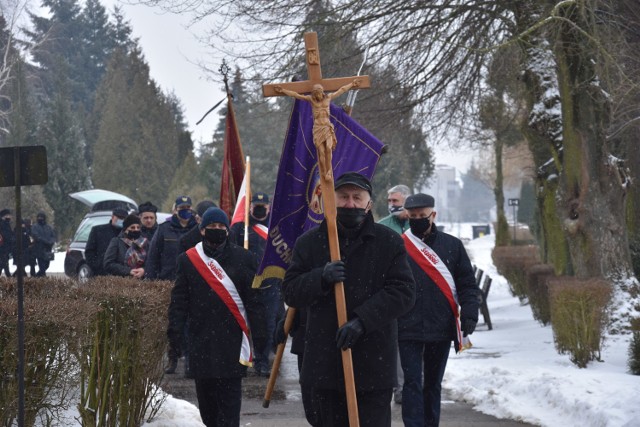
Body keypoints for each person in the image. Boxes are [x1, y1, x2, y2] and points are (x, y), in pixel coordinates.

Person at [282, 172, 415, 426]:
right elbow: (290, 291)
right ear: (331, 200)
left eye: (357, 197)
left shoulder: (388, 242)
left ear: (368, 203)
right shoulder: (309, 243)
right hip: (324, 364)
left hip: (373, 364)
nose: (350, 203)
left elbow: (403, 292)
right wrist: (320, 277)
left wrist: (362, 321)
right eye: (343, 197)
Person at [167, 207, 265, 427]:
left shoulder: (244, 258)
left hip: (232, 344)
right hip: (201, 341)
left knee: (229, 411)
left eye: (221, 227)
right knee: (208, 410)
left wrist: (261, 338)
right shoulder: (188, 260)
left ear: (228, 231)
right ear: (202, 230)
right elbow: (179, 302)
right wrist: (175, 336)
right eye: (212, 227)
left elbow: (255, 303)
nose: (217, 230)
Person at [398, 193, 480, 427]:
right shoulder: (400, 246)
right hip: (407, 325)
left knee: (433, 383)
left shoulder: (452, 245)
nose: (417, 220)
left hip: (440, 325)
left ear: (433, 215)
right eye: (412, 216)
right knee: (411, 382)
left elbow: (466, 283)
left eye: (422, 216)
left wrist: (470, 313)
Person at [230, 191, 283, 377]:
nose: (259, 208)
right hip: (245, 285)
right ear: (249, 207)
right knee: (242, 325)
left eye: (263, 206)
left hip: (269, 285)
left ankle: (262, 361)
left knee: (266, 327)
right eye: (255, 206)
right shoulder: (239, 228)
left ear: (269, 207)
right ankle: (242, 361)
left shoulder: (276, 227)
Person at [274, 79, 361, 180]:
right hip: (318, 128)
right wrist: (282, 90)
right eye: (315, 94)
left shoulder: (328, 98)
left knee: (329, 148)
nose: (317, 96)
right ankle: (324, 171)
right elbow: (296, 95)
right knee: (321, 151)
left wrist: (352, 84)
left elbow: (341, 90)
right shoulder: (311, 100)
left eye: (318, 94)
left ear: (321, 92)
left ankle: (329, 171)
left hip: (327, 127)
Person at [377, 183, 412, 404]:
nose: (391, 205)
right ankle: (398, 387)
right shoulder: (382, 227)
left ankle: (414, 383)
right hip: (392, 292)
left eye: (395, 201)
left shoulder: (417, 226)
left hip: (417, 294)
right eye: (389, 201)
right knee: (396, 343)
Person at [145, 196, 197, 280]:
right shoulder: (164, 228)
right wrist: (150, 279)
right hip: (168, 279)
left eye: (188, 207)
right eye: (182, 207)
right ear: (176, 210)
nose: (186, 210)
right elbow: (153, 256)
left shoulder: (197, 229)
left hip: (191, 279)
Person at [85, 207, 128, 277]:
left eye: (124, 218)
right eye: (119, 217)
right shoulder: (98, 231)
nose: (121, 220)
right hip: (101, 275)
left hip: (122, 275)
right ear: (112, 217)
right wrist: (97, 266)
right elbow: (89, 252)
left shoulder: (128, 233)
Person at [103, 214, 149, 278]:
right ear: (126, 229)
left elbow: (151, 262)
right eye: (132, 227)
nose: (136, 230)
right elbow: (108, 264)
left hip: (142, 282)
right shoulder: (117, 242)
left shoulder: (145, 243)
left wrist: (143, 270)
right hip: (122, 281)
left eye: (138, 227)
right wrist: (128, 271)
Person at [30, 212, 56, 277]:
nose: (40, 218)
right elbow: (35, 235)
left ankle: (36, 276)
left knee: (47, 265)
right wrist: (44, 241)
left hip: (48, 249)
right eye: (39, 217)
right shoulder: (35, 226)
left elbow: (53, 236)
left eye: (41, 217)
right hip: (39, 249)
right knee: (42, 266)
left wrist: (51, 242)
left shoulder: (48, 227)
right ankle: (43, 278)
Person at [0, 209, 14, 277]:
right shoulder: (3, 224)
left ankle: (9, 277)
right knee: (4, 263)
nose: (9, 217)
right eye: (7, 215)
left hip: (5, 247)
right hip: (3, 247)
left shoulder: (7, 224)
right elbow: (5, 235)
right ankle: (9, 277)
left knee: (4, 263)